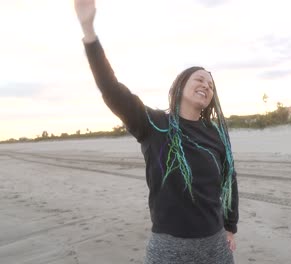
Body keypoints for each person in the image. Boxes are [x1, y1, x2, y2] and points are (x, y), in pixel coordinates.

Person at [74, 0, 239, 263]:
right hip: (169, 248)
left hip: (215, 245)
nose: (206, 86)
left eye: (210, 85)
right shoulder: (153, 124)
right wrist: (89, 32)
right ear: (179, 87)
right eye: (199, 79)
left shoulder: (216, 134)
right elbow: (111, 88)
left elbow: (229, 181)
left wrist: (230, 226)